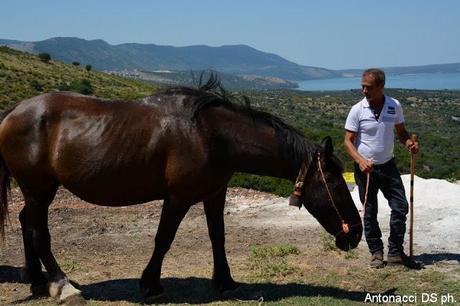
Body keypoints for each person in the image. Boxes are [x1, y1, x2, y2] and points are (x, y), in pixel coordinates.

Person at [344, 68, 422, 269]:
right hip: (365, 171)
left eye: (368, 87)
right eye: (362, 86)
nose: (364, 90)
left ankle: (395, 252)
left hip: (388, 166)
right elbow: (347, 142)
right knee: (369, 212)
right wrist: (360, 160)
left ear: (381, 86)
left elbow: (402, 132)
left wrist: (408, 144)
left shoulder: (394, 106)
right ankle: (376, 253)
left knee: (401, 207)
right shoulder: (357, 110)